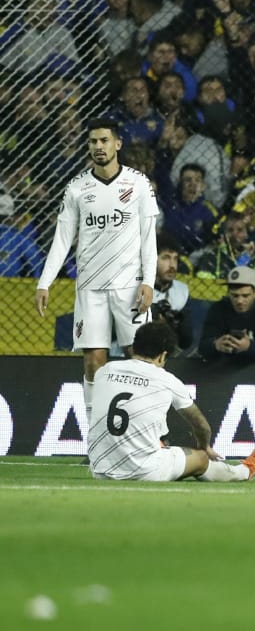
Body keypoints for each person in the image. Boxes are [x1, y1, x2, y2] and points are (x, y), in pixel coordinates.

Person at [35, 117, 158, 424]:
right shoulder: (77, 188)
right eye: (93, 141)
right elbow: (62, 239)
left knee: (142, 357)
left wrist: (149, 282)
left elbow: (148, 238)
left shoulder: (138, 183)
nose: (99, 147)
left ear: (118, 144)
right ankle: (96, 438)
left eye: (104, 140)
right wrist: (44, 283)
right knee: (93, 361)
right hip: (90, 286)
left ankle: (153, 428)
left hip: (130, 284)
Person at [88, 321, 255, 483]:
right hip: (145, 472)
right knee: (200, 459)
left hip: (100, 470)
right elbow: (200, 424)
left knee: (153, 431)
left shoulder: (105, 371)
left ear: (134, 348)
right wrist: (204, 446)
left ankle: (158, 447)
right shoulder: (167, 380)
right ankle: (243, 471)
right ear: (162, 355)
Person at [197, 267, 255, 364]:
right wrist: (216, 345)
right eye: (235, 295)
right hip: (227, 368)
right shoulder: (218, 308)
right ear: (228, 293)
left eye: (245, 296)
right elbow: (202, 347)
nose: (239, 301)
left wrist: (249, 347)